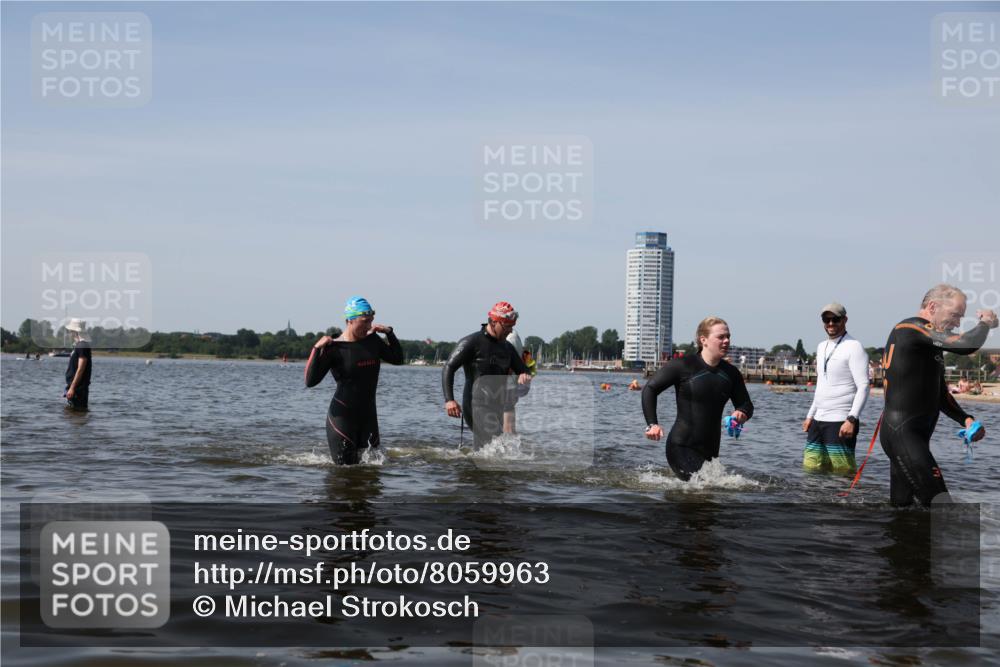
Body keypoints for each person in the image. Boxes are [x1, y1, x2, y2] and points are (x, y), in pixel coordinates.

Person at [880, 284, 998, 507]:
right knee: (943, 509)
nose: (957, 323)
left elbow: (940, 395)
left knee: (903, 512)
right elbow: (966, 344)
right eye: (955, 315)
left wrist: (965, 418)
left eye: (961, 317)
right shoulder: (911, 328)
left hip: (909, 436)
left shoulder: (927, 343)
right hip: (903, 435)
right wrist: (985, 323)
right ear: (933, 306)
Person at [642, 316, 754, 481]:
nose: (726, 341)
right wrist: (652, 424)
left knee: (709, 496)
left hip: (711, 451)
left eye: (728, 336)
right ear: (704, 340)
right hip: (681, 446)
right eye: (721, 337)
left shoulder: (731, 373)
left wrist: (742, 413)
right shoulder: (683, 365)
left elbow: (746, 404)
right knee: (701, 489)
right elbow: (650, 389)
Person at [304, 296, 403, 464]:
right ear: (350, 320)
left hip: (369, 417)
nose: (369, 326)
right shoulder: (333, 347)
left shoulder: (373, 341)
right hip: (342, 418)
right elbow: (310, 381)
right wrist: (316, 349)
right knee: (344, 474)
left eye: (371, 321)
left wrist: (389, 333)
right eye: (364, 321)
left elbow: (398, 358)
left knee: (372, 475)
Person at [443, 301, 531, 447]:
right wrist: (449, 400)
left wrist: (524, 375)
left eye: (512, 327)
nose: (510, 331)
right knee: (497, 447)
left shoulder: (507, 347)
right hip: (476, 404)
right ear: (494, 322)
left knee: (487, 450)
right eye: (507, 326)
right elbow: (449, 367)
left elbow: (523, 369)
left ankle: (471, 467)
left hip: (496, 406)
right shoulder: (472, 342)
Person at [801, 302, 870, 474]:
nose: (831, 324)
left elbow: (864, 386)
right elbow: (821, 384)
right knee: (811, 470)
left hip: (841, 420)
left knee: (842, 472)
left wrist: (851, 419)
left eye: (835, 319)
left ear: (844, 320)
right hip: (818, 420)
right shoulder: (821, 346)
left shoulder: (854, 347)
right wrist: (810, 415)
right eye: (826, 319)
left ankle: (845, 500)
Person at [502, 329, 536, 434]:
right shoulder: (514, 337)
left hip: (512, 382)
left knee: (507, 409)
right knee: (509, 409)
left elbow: (511, 362)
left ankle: (508, 442)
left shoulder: (510, 338)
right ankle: (512, 441)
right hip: (518, 382)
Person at [63, 318, 91, 410]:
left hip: (78, 388)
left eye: (71, 330)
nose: (70, 332)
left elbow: (81, 369)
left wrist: (72, 387)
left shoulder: (82, 346)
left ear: (75, 331)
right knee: (73, 415)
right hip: (75, 387)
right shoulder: (79, 345)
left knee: (78, 412)